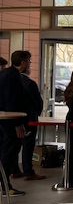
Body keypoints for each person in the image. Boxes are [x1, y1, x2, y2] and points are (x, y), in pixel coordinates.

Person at [0, 50, 32, 196]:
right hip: (9, 123)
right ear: (23, 62)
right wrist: (17, 124)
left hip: (6, 121)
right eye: (29, 61)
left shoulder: (6, 74)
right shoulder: (12, 77)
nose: (29, 63)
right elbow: (12, 102)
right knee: (9, 154)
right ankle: (4, 186)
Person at [16, 67, 46, 180]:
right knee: (28, 146)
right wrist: (37, 112)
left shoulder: (14, 81)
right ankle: (28, 171)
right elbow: (37, 101)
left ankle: (15, 170)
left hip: (16, 117)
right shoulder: (30, 83)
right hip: (29, 118)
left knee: (15, 145)